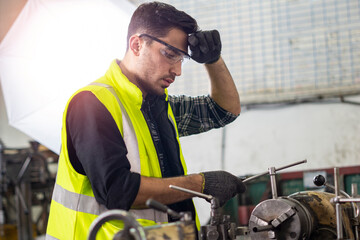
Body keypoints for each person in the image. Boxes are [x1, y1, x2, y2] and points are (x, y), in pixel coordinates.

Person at [46, 1, 246, 239]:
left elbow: (224, 110)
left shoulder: (157, 105)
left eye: (182, 59)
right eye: (171, 55)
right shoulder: (92, 104)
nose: (177, 70)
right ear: (137, 44)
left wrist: (213, 60)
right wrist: (201, 184)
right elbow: (118, 191)